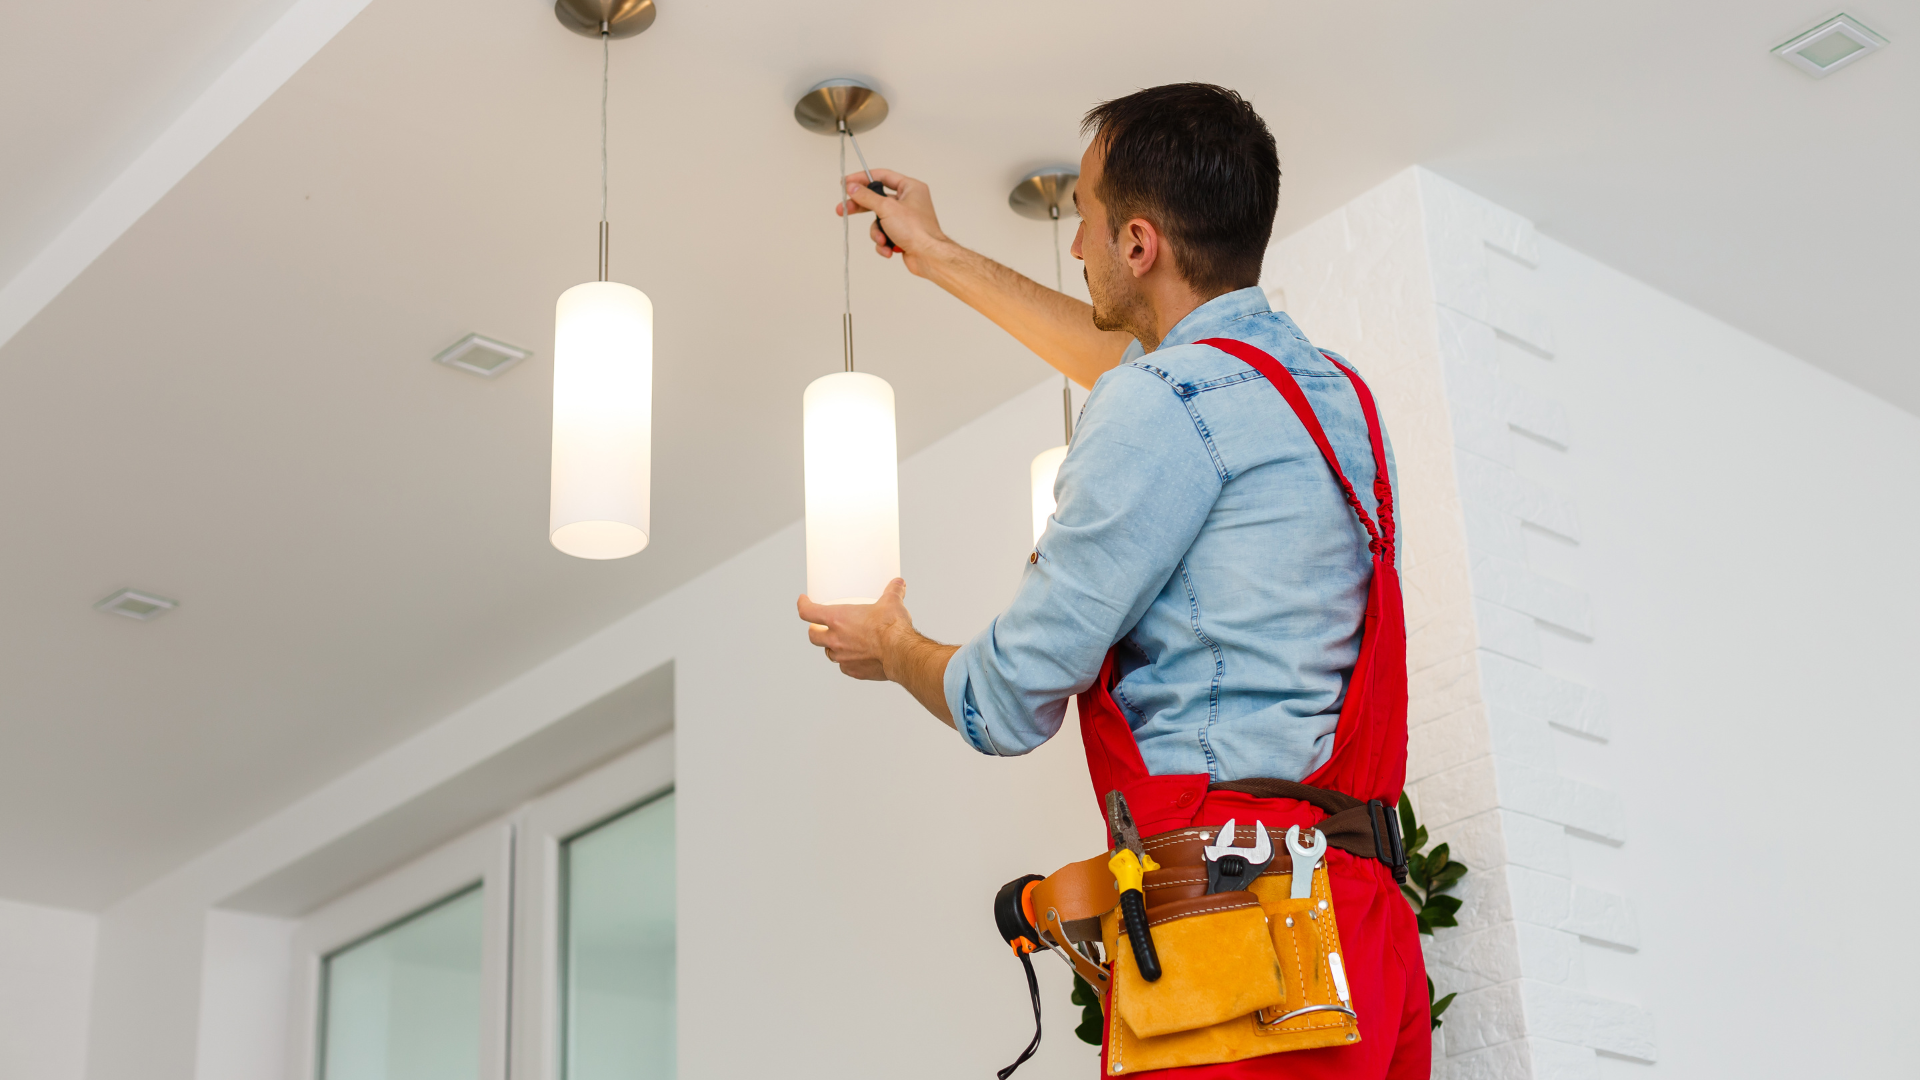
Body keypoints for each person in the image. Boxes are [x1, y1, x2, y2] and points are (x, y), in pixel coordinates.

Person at [797, 84, 1428, 1079]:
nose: (1077, 246)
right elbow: (1150, 369)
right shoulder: (1329, 393)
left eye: (1085, 222)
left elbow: (1005, 703)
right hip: (1360, 939)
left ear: (1138, 244)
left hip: (1237, 949)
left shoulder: (1162, 406)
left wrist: (895, 650)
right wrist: (942, 252)